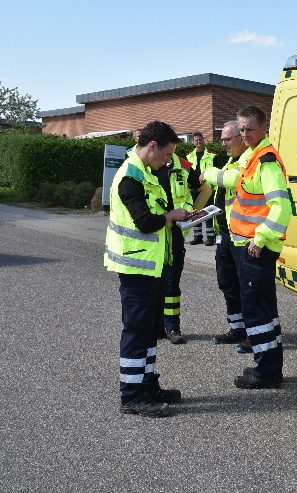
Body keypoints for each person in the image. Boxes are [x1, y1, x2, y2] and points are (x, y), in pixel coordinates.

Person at [104, 121, 188, 417]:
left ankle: (149, 386)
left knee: (151, 331)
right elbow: (144, 221)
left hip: (151, 266)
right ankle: (131, 396)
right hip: (135, 266)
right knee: (137, 331)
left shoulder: (145, 172)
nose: (168, 161)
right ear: (152, 146)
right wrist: (171, 215)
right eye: (167, 155)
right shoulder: (130, 177)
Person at [230, 105, 291, 389]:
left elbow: (282, 208)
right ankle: (268, 366)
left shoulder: (266, 161)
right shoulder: (253, 157)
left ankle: (266, 372)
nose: (244, 134)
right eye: (241, 128)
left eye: (250, 128)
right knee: (265, 311)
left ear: (264, 127)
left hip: (257, 248)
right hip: (252, 245)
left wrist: (260, 237)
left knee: (257, 311)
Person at [154, 148, 211, 344]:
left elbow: (206, 189)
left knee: (171, 283)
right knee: (152, 283)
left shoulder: (184, 165)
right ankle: (155, 326)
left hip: (175, 233)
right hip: (151, 232)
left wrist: (194, 214)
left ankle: (172, 327)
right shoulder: (144, 164)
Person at [203, 121, 252, 347]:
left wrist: (209, 172)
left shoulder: (248, 158)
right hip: (225, 233)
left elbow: (229, 179)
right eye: (221, 139)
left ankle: (253, 333)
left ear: (241, 138)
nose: (223, 144)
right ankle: (237, 328)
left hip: (242, 236)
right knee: (227, 282)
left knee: (247, 286)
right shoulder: (232, 159)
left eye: (227, 139)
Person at [187, 132, 217, 246]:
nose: (198, 142)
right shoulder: (189, 156)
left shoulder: (212, 154)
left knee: (208, 212)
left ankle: (210, 237)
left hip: (207, 188)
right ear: (193, 142)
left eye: (200, 139)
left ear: (203, 140)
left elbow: (215, 169)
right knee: (195, 212)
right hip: (194, 189)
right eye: (196, 140)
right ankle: (198, 236)